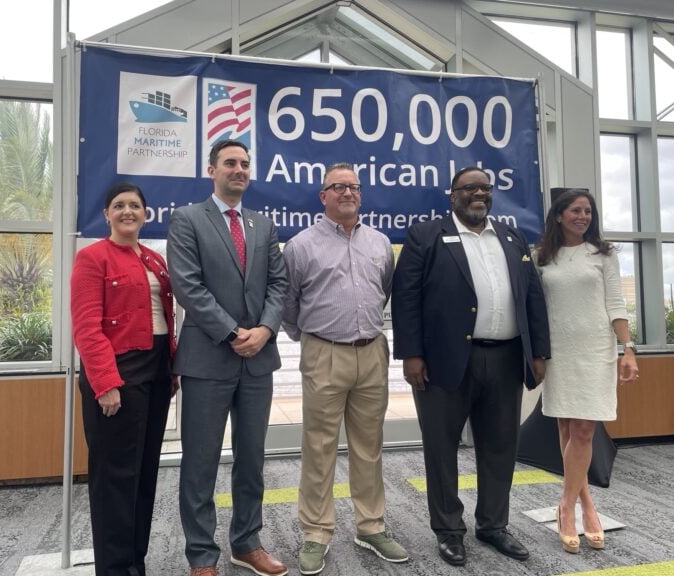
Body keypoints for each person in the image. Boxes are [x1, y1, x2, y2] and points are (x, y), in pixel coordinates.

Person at [391, 166, 550, 567]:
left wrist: (539, 352)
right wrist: (411, 354)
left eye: (485, 187)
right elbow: (405, 297)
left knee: (500, 447)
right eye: (469, 188)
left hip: (506, 358)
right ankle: (449, 531)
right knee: (441, 449)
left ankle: (494, 525)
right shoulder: (426, 235)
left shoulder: (513, 238)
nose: (478, 193)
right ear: (452, 195)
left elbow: (533, 298)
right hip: (443, 361)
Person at [167, 139, 288, 576]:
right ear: (212, 170)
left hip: (258, 360)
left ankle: (246, 543)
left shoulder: (263, 225)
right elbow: (188, 286)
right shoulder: (187, 219)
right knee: (200, 462)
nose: (239, 170)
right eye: (230, 163)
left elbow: (279, 284)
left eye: (244, 164)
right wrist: (234, 332)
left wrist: (265, 330)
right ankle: (201, 555)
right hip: (207, 360)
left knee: (252, 459)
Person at [282, 163, 408, 575]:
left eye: (354, 187)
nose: (348, 193)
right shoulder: (301, 245)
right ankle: (316, 532)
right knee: (318, 446)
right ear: (323, 196)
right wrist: (314, 341)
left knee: (369, 445)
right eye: (338, 187)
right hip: (324, 353)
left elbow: (383, 290)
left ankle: (370, 527)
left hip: (371, 352)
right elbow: (288, 304)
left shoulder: (379, 242)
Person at [71, 182, 178, 576]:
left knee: (145, 471)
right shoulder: (92, 258)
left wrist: (173, 367)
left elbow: (167, 318)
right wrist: (105, 382)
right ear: (107, 214)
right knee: (115, 478)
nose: (127, 211)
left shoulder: (155, 260)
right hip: (117, 372)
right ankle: (115, 569)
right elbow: (85, 326)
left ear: (146, 213)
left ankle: (136, 562)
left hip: (157, 371)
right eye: (119, 205)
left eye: (135, 205)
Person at [534, 189, 639, 554]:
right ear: (559, 215)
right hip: (558, 352)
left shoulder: (603, 255)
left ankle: (569, 508)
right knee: (566, 428)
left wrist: (627, 349)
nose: (583, 216)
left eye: (588, 211)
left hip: (596, 349)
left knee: (583, 429)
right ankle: (585, 504)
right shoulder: (541, 257)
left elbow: (616, 303)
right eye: (576, 210)